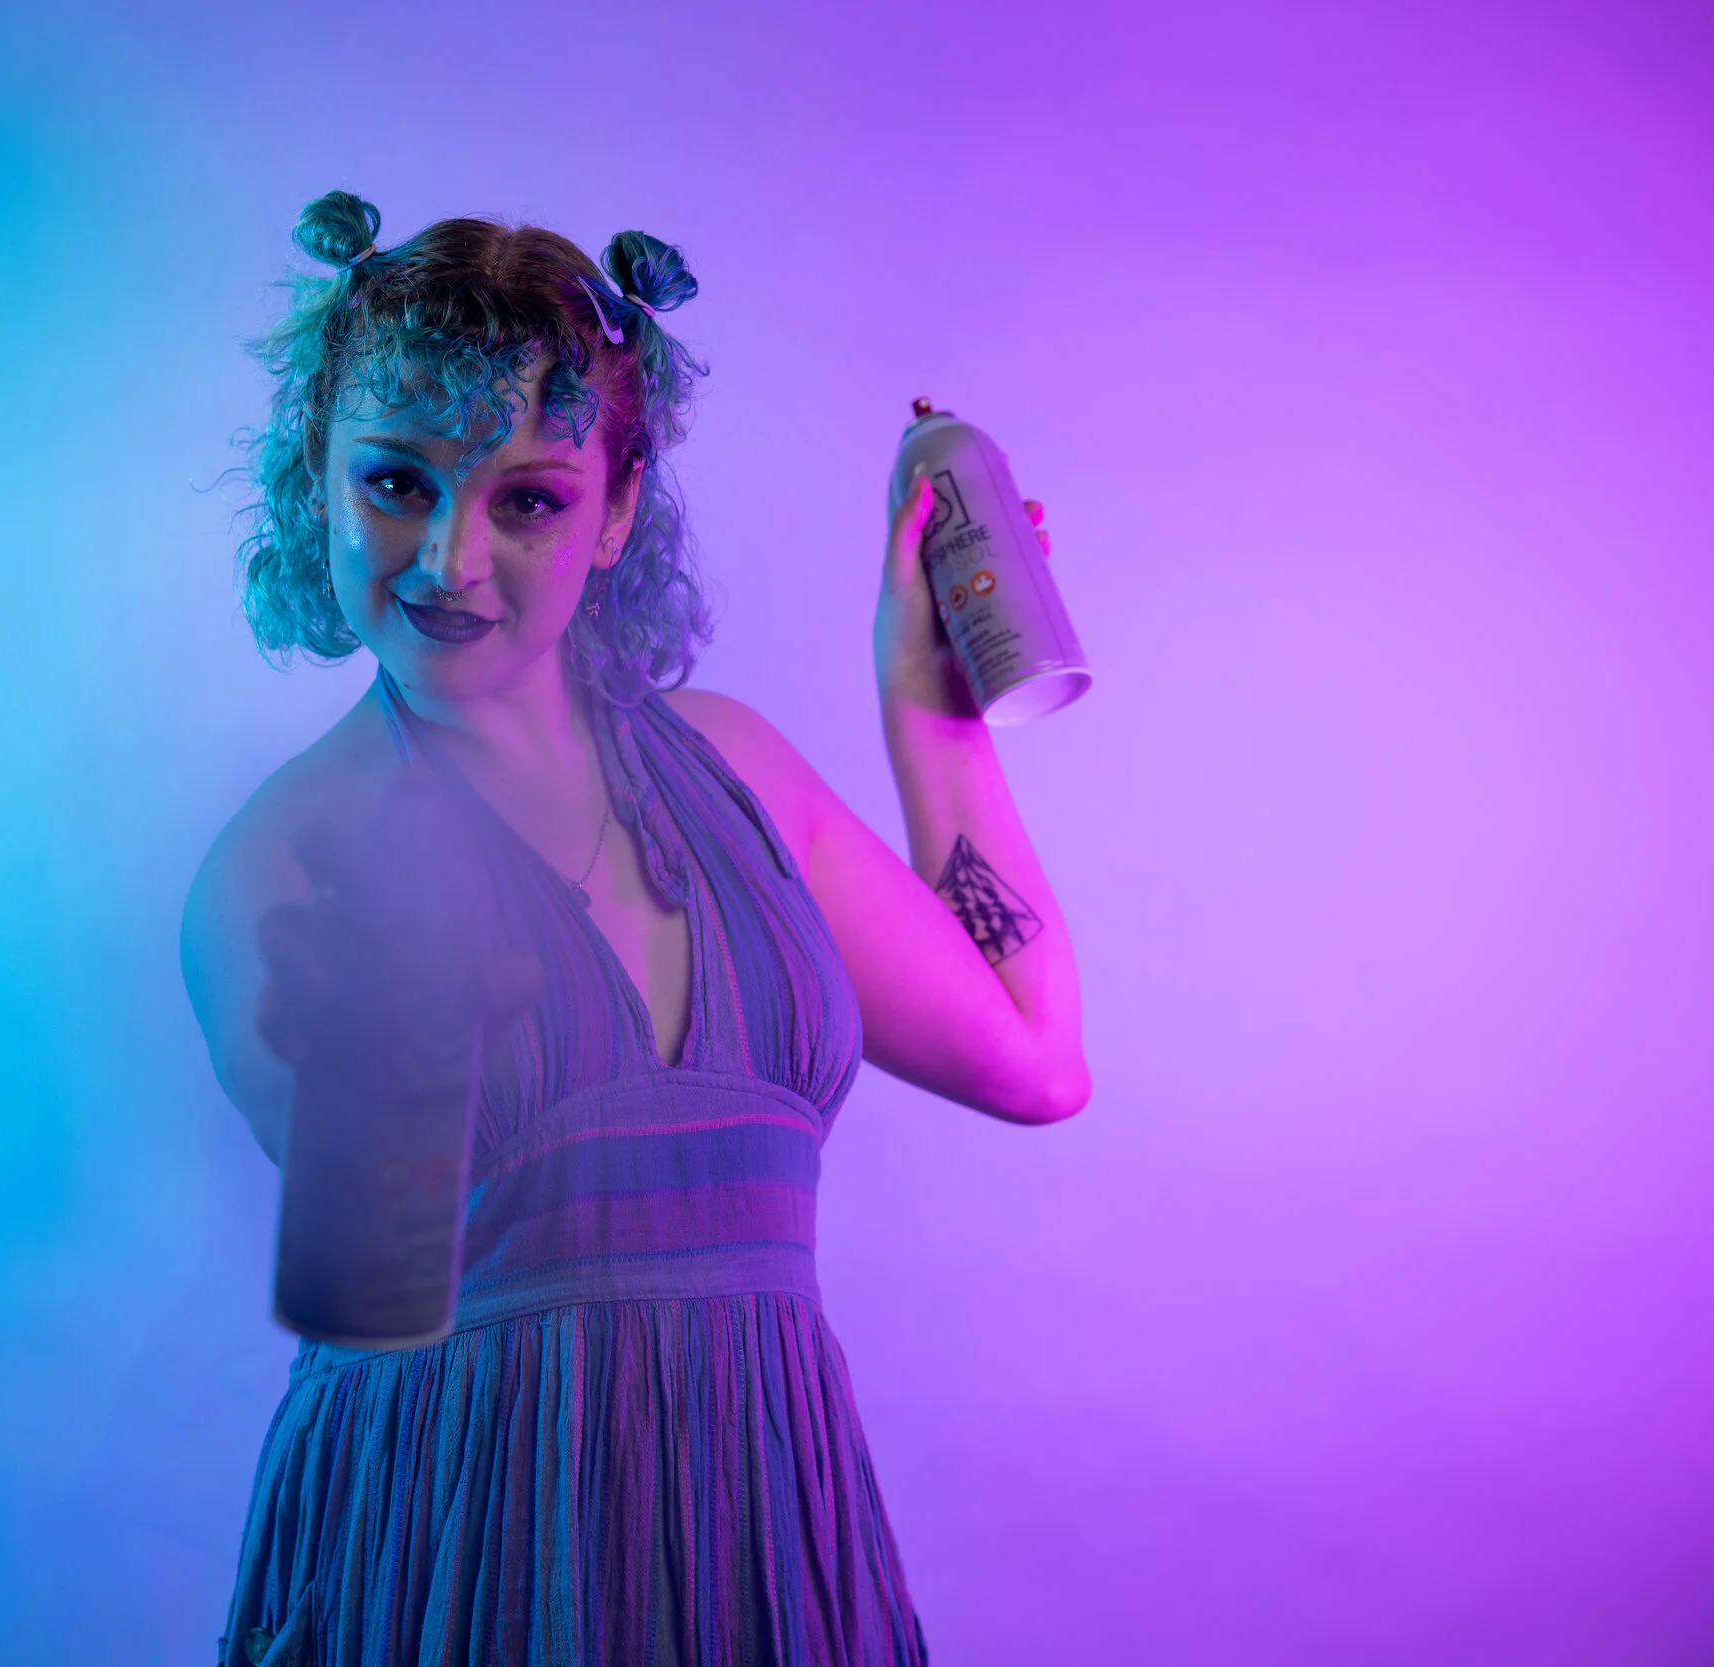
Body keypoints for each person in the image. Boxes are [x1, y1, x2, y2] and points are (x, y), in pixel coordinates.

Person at [180, 189, 1090, 1666]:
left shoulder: (736, 768)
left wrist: (928, 700)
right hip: (475, 1548)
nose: (449, 559)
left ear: (615, 511)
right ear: (316, 474)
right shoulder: (283, 863)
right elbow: (380, 1285)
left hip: (768, 1538)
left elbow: (1037, 1062)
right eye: (397, 481)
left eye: (528, 499)